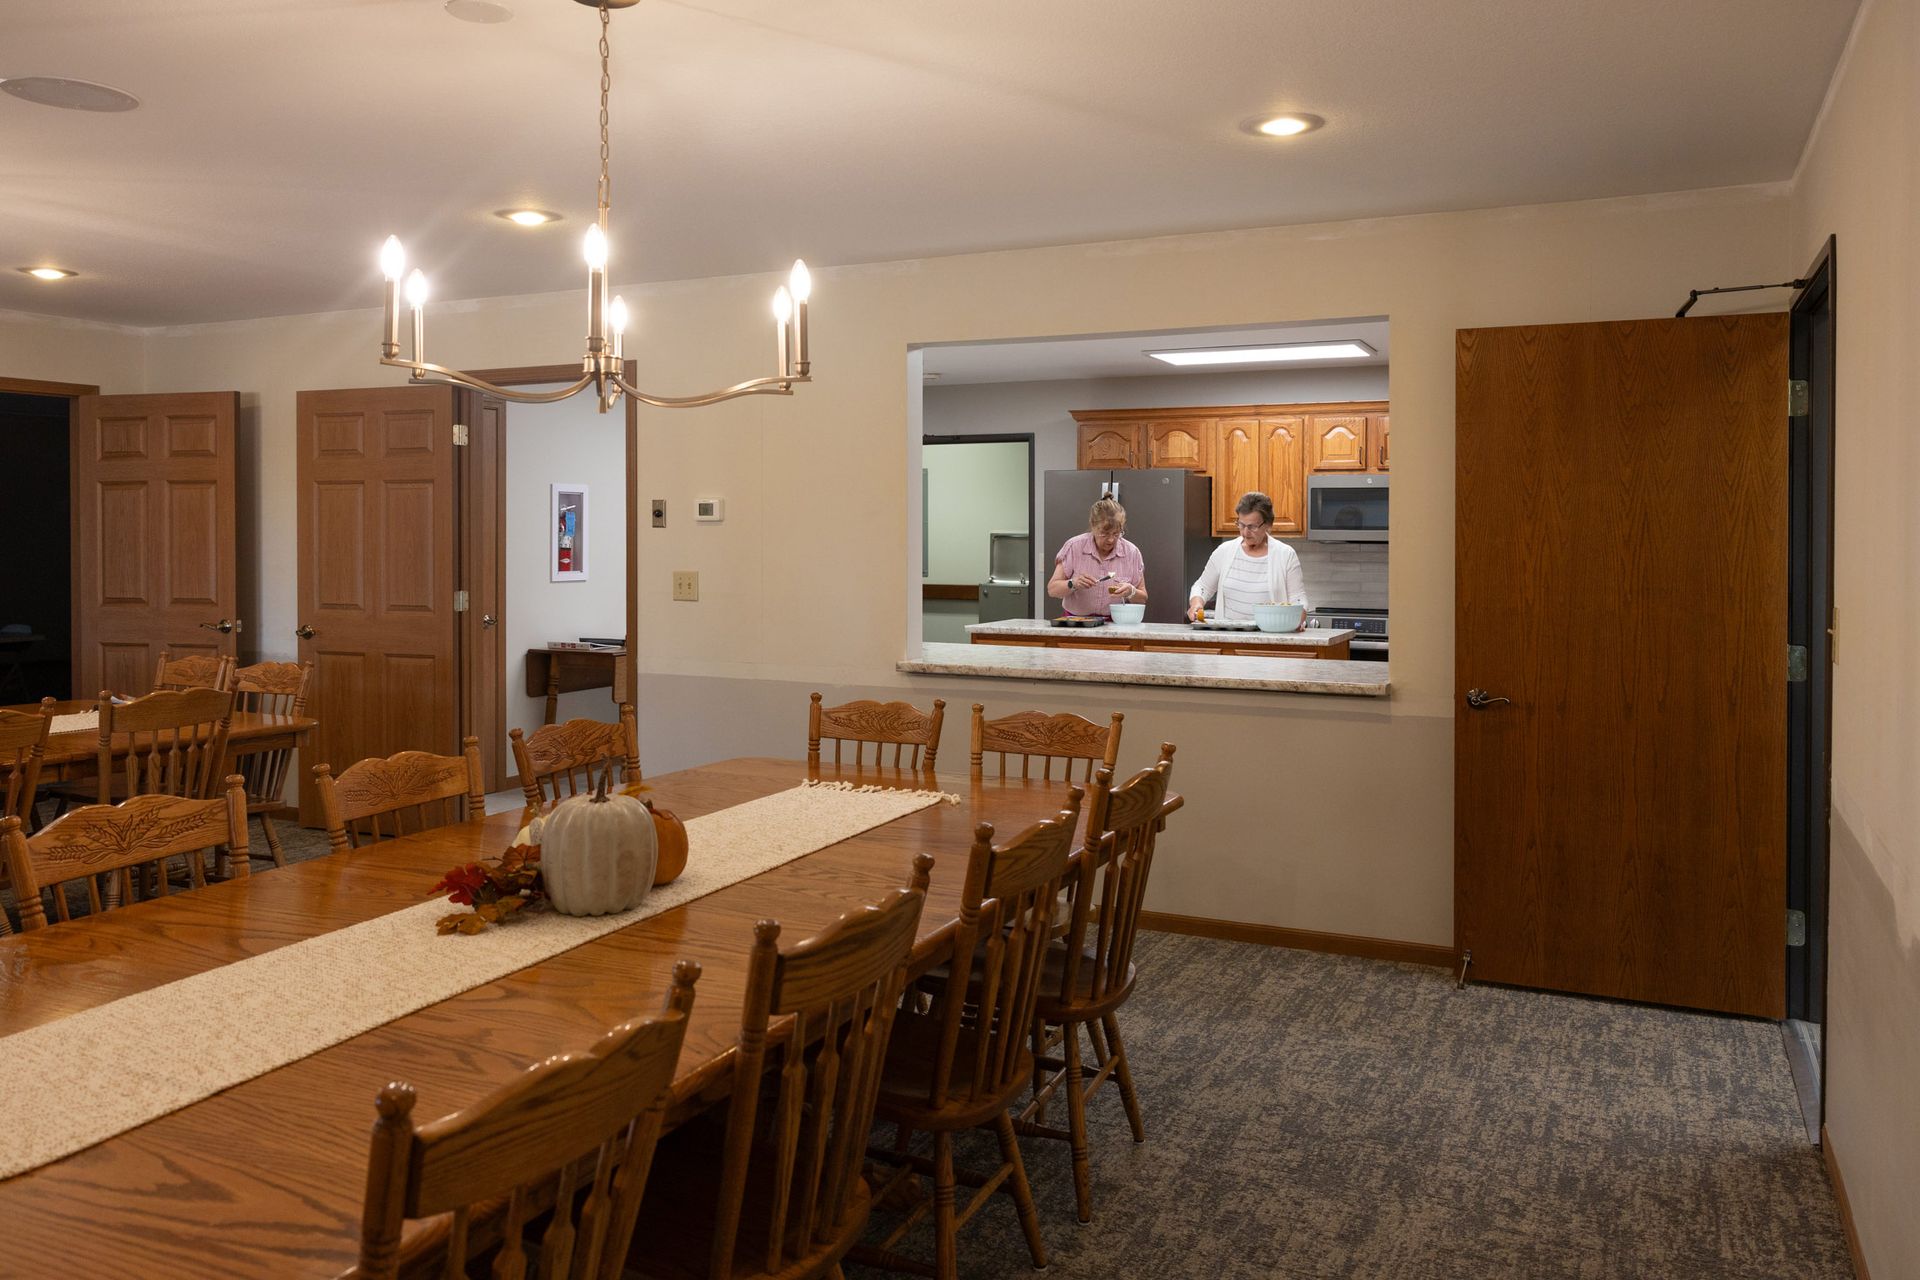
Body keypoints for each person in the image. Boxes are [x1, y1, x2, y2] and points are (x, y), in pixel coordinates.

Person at [1187, 491, 1309, 623]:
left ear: (1268, 524)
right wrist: (1196, 603)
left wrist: (1298, 619)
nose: (1245, 532)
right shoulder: (1224, 551)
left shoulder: (1285, 555)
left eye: (1252, 526)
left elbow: (1298, 598)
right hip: (1228, 637)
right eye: (1241, 525)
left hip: (1271, 638)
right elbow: (1202, 586)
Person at [1048, 497, 1147, 617]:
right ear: (1093, 526)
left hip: (1115, 623)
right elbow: (1052, 590)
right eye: (1104, 534)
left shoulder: (1132, 553)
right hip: (1076, 622)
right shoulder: (1073, 547)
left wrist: (1131, 592)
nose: (1111, 540)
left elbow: (1142, 598)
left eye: (1116, 534)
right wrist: (1073, 583)